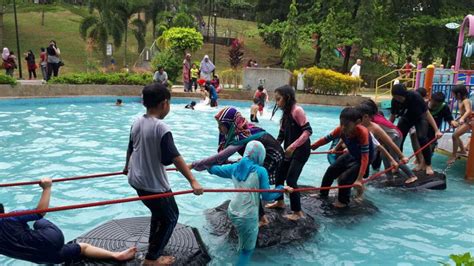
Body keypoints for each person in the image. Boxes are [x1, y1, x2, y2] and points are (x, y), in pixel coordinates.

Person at [123, 83, 203, 265]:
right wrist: (193, 181)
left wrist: (126, 166)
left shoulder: (136, 121)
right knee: (171, 216)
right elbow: (175, 157)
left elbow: (130, 146)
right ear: (164, 103)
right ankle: (151, 260)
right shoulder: (161, 127)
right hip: (153, 185)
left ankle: (154, 243)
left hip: (136, 180)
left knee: (158, 213)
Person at [0, 177, 137, 264]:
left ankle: (117, 256)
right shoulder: (10, 217)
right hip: (51, 239)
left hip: (42, 258)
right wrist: (47, 188)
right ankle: (116, 255)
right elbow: (41, 212)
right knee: (39, 223)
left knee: (83, 248)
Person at [190, 107, 284, 226]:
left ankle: (262, 218)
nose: (218, 128)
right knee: (252, 178)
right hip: (262, 154)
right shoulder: (236, 132)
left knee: (254, 182)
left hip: (272, 155)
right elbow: (222, 159)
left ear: (230, 124)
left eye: (221, 125)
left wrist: (193, 165)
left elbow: (219, 158)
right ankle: (278, 203)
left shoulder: (242, 135)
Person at [207, 141, 292, 266]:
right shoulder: (260, 171)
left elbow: (212, 169)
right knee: (247, 251)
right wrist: (281, 188)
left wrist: (212, 161)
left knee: (243, 240)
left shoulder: (235, 167)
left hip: (232, 211)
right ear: (260, 155)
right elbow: (267, 196)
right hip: (247, 216)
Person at [311, 107, 374, 207]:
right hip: (351, 155)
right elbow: (326, 138)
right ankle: (323, 194)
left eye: (347, 125)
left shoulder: (363, 133)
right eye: (341, 124)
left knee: (344, 179)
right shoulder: (341, 129)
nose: (343, 127)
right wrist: (313, 146)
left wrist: (359, 179)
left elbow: (365, 157)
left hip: (363, 159)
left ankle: (343, 202)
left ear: (357, 122)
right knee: (331, 170)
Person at [266, 85, 312, 221]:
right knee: (279, 175)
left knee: (291, 180)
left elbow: (308, 131)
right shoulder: (285, 114)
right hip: (289, 151)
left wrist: (292, 147)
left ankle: (297, 212)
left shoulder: (297, 111)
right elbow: (281, 135)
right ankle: (280, 202)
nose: (277, 102)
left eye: (278, 99)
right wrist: (271, 147)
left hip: (301, 151)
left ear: (287, 98)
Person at [356, 103, 417, 183]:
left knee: (394, 159)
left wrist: (402, 156)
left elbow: (389, 142)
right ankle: (390, 178)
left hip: (395, 136)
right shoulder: (372, 118)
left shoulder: (374, 124)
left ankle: (412, 176)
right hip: (389, 135)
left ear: (366, 116)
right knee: (383, 156)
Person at [390, 84, 442, 176]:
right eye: (395, 97)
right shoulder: (394, 101)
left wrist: (436, 130)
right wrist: (387, 130)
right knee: (398, 138)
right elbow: (393, 116)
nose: (398, 99)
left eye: (399, 97)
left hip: (419, 118)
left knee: (422, 138)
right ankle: (397, 163)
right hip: (406, 119)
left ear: (404, 94)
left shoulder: (415, 97)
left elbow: (427, 113)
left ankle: (428, 165)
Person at [448, 85, 472, 164]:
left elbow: (468, 111)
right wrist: (457, 119)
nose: (453, 95)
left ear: (458, 94)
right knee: (456, 135)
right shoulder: (459, 101)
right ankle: (462, 150)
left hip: (470, 122)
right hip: (465, 121)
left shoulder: (466, 101)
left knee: (455, 135)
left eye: (453, 94)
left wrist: (462, 118)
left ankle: (454, 155)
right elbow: (463, 113)